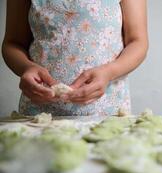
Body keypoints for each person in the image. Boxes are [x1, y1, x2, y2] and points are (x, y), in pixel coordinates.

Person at [2, 0, 148, 116]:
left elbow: (138, 42)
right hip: (38, 114)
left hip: (106, 110)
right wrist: (27, 68)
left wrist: (108, 72)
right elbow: (13, 43)